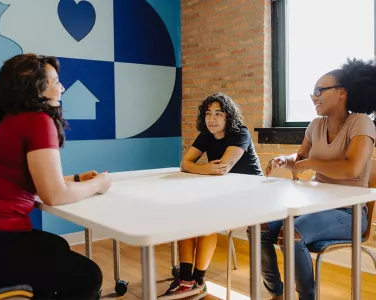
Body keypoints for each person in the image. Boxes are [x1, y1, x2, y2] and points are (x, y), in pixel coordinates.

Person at [0, 54, 112, 300]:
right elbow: (54, 194)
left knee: (57, 245)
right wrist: (98, 184)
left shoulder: (3, 120)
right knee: (88, 275)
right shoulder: (37, 121)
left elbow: (28, 180)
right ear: (35, 87)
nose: (61, 87)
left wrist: (79, 179)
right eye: (55, 81)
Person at [262, 58, 376, 300]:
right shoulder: (315, 125)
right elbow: (300, 157)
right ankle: (277, 294)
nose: (313, 97)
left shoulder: (361, 122)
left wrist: (311, 163)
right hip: (313, 207)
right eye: (312, 92)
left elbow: (353, 169)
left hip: (349, 213)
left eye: (319, 91)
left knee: (291, 233)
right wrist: (286, 158)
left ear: (342, 92)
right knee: (259, 226)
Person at [159, 92, 263, 299]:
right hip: (220, 190)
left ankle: (197, 280)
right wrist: (206, 168)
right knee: (187, 217)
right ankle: (186, 279)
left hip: (252, 194)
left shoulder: (240, 132)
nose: (212, 119)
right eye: (208, 114)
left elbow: (222, 168)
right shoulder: (206, 135)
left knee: (206, 220)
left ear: (229, 117)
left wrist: (200, 168)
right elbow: (184, 164)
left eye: (218, 114)